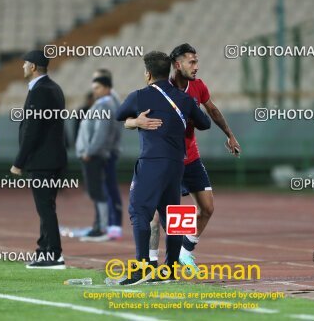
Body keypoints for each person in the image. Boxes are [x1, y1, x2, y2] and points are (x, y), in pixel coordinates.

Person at [125, 43, 242, 272]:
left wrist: (230, 135)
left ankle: (184, 253)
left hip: (191, 159)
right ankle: (149, 262)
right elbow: (128, 118)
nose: (196, 66)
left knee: (207, 208)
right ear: (177, 65)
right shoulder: (160, 89)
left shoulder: (198, 86)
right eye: (192, 62)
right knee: (158, 215)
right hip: (168, 160)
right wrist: (136, 122)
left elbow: (212, 111)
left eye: (197, 61)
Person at [116, 51, 211, 285]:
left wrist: (136, 122)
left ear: (147, 73)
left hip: (151, 162)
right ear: (168, 71)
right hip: (177, 165)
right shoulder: (184, 99)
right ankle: (169, 270)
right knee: (173, 216)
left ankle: (142, 269)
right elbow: (205, 123)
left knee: (139, 211)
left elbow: (118, 116)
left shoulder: (139, 96)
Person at [10, 50, 67, 269]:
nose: (23, 67)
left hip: (43, 161)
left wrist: (19, 161)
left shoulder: (40, 91)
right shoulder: (54, 88)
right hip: (53, 159)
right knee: (46, 207)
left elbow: (32, 130)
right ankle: (44, 249)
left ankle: (53, 254)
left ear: (33, 67)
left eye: (25, 64)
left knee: (45, 208)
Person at [76, 76, 122, 241]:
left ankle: (102, 228)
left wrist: (89, 151)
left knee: (98, 192)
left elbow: (100, 133)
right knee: (96, 192)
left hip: (95, 155)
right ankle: (98, 225)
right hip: (93, 154)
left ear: (107, 88)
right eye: (94, 88)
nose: (95, 91)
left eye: (98, 88)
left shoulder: (105, 105)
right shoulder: (102, 105)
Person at [91, 68, 123, 240]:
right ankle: (103, 223)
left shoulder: (112, 100)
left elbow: (112, 126)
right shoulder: (105, 100)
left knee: (109, 188)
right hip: (106, 150)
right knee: (103, 189)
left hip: (108, 151)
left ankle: (113, 224)